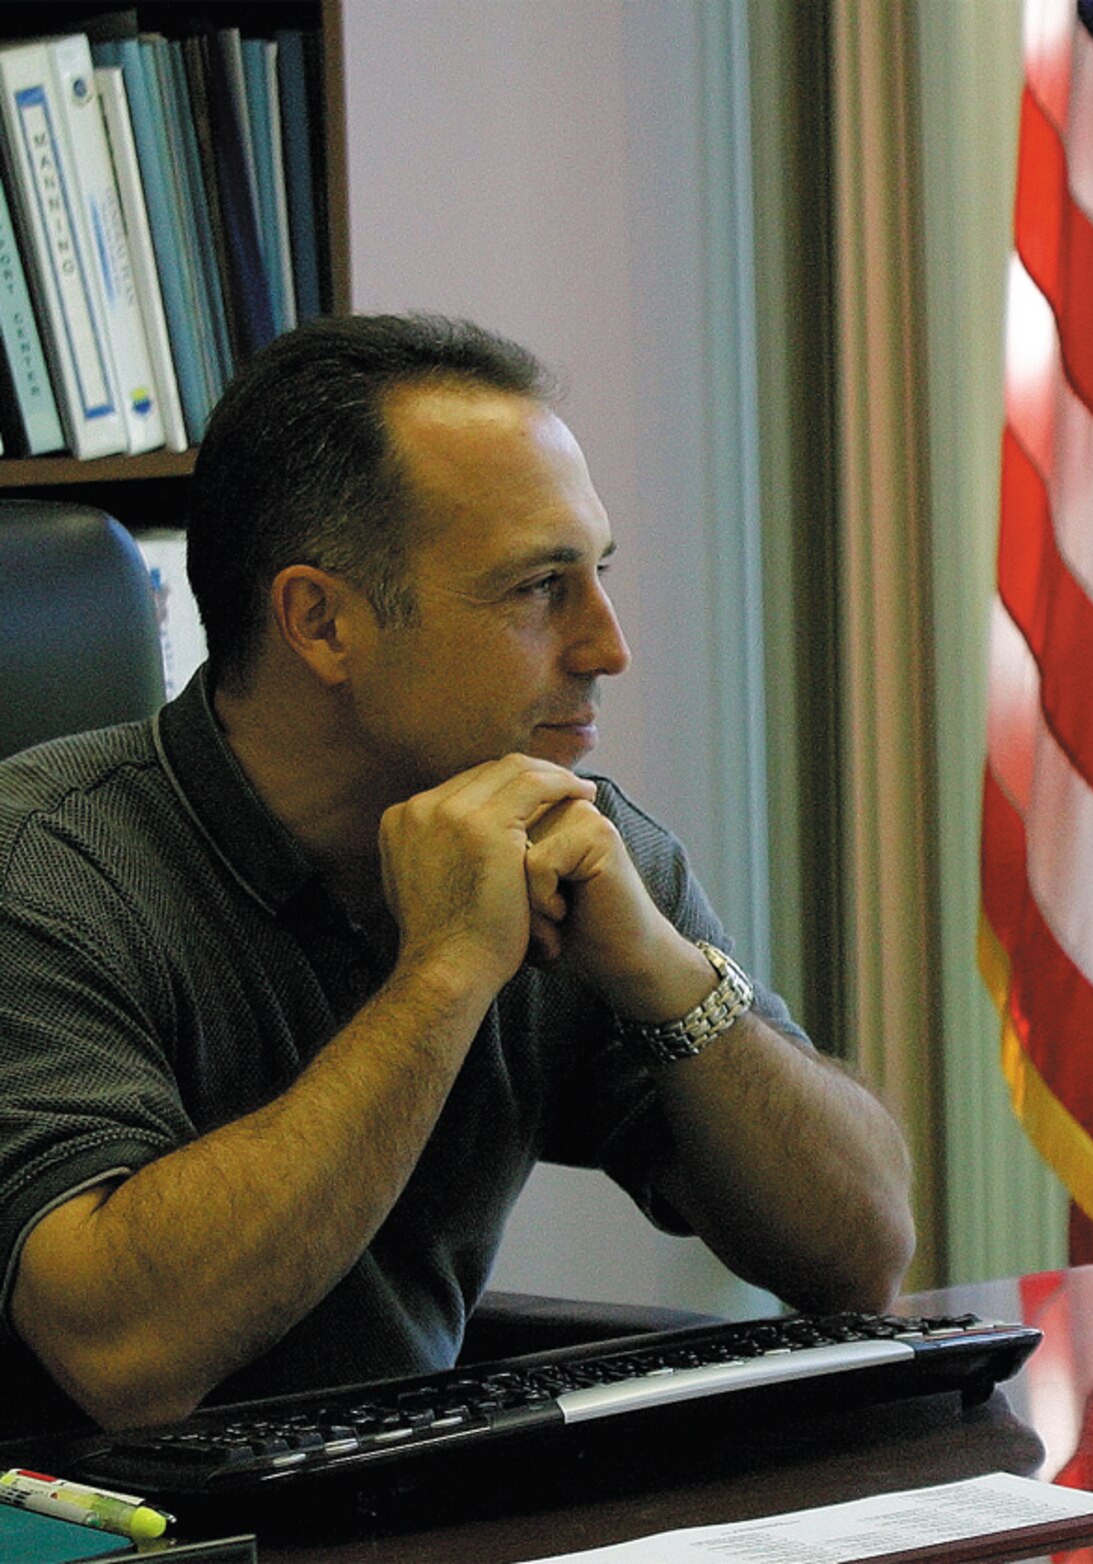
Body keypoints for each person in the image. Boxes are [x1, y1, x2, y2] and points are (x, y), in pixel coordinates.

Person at [0, 313, 915, 1436]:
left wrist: (667, 977)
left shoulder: (569, 836)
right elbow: (125, 1354)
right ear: (321, 623)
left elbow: (860, 1254)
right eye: (538, 586)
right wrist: (441, 978)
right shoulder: (43, 870)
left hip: (409, 1500)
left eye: (597, 574)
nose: (608, 646)